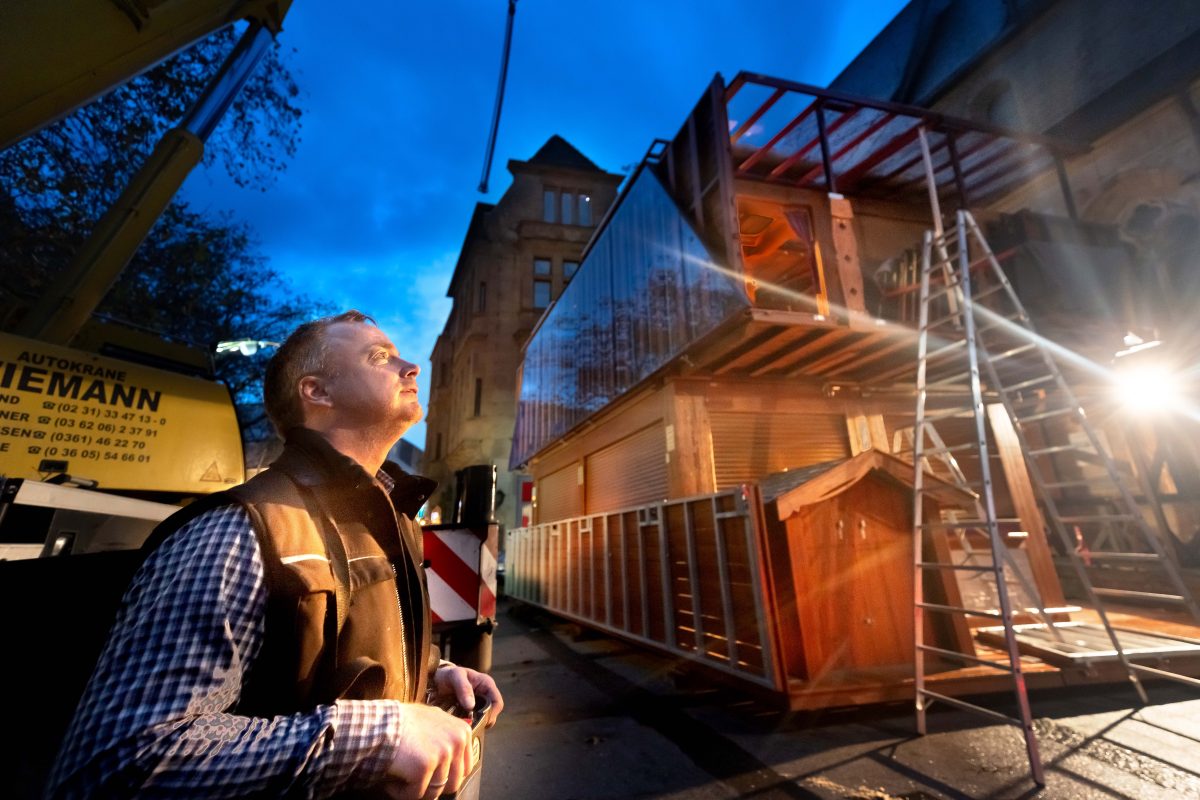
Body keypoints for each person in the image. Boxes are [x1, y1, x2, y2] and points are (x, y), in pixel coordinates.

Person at [47, 310, 503, 799]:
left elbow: (349, 653)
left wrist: (433, 676)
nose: (410, 366)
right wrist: (381, 735)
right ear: (317, 393)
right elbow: (117, 764)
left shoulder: (392, 520)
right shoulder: (238, 532)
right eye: (380, 357)